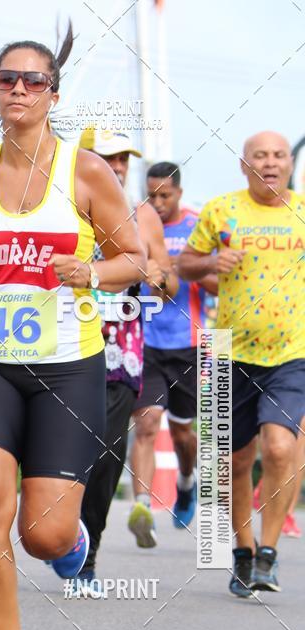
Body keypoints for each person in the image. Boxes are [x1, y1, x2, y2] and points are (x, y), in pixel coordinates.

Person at [0, 26, 146, 630]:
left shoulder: (85, 172)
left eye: (33, 81)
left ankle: (69, 535)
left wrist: (92, 270)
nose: (19, 90)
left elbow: (135, 260)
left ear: (55, 94)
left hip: (66, 367)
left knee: (41, 533)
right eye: (7, 80)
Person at [178, 131, 305, 595]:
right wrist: (211, 260)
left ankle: (269, 554)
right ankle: (243, 552)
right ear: (244, 165)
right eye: (260, 156)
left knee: (279, 448)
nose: (270, 163)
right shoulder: (220, 210)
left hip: (292, 352)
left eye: (277, 156)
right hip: (225, 349)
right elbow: (185, 266)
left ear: (289, 164)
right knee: (232, 461)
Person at [74, 130, 178, 592]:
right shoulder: (63, 207)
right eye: (107, 158)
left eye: (123, 160)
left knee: (107, 450)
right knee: (61, 449)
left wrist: (159, 276)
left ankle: (87, 556)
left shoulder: (143, 215)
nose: (116, 167)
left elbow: (167, 282)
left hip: (120, 352)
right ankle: (55, 529)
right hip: (61, 345)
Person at [128, 161, 218, 544]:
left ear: (179, 193)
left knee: (183, 435)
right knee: (146, 423)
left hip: (191, 345)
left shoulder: (199, 225)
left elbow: (220, 285)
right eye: (151, 196)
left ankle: (186, 482)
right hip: (145, 342)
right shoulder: (133, 223)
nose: (158, 203)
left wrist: (186, 268)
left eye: (164, 195)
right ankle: (143, 507)